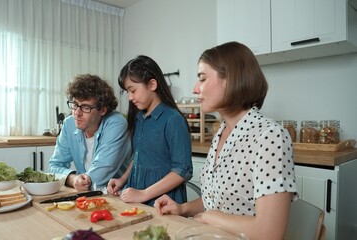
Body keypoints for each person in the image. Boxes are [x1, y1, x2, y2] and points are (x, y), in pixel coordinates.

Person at [154, 42, 298, 240]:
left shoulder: (270, 136)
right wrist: (182, 208)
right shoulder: (222, 132)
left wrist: (212, 218)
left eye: (202, 79)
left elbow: (270, 233)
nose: (195, 89)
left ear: (231, 79)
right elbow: (218, 200)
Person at [106, 55, 193, 206]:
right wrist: (122, 180)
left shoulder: (173, 119)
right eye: (127, 92)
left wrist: (144, 194)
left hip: (163, 201)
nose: (130, 97)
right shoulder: (140, 118)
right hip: (138, 196)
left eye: (133, 90)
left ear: (152, 84)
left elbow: (182, 170)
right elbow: (138, 156)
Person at [49, 74, 131, 191]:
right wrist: (73, 179)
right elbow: (54, 166)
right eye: (75, 105)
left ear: (103, 109)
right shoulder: (69, 124)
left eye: (85, 107)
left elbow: (100, 174)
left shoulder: (116, 123)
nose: (77, 113)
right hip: (88, 196)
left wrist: (79, 181)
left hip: (119, 196)